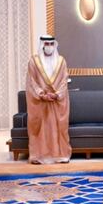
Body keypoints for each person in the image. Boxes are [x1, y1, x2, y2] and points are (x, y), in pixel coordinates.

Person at [25, 35, 71, 164]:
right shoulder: (34, 62)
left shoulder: (61, 61)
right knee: (41, 129)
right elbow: (31, 81)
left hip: (57, 102)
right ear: (42, 45)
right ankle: (38, 156)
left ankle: (60, 155)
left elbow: (64, 81)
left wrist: (57, 94)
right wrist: (41, 94)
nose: (49, 47)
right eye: (46, 44)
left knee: (59, 128)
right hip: (41, 102)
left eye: (51, 44)